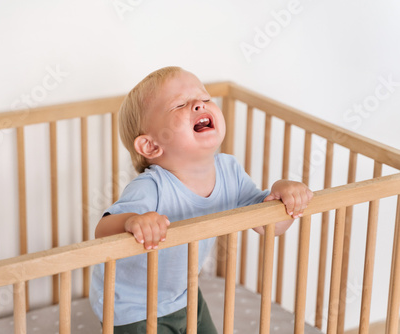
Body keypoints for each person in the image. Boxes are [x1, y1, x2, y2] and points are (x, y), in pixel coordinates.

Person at [89, 66, 313, 333]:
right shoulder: (152, 187)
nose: (198, 104)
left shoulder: (229, 171)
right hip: (131, 306)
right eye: (180, 104)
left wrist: (282, 195)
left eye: (205, 98)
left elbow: (268, 225)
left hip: (183, 294)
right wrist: (134, 222)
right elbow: (102, 232)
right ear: (151, 146)